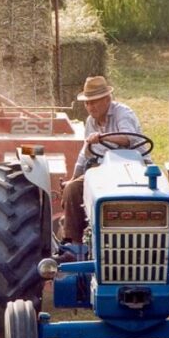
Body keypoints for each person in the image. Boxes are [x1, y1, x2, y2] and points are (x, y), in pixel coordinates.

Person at [57, 75, 146, 261]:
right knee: (73, 189)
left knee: (163, 193)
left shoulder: (123, 113)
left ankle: (165, 244)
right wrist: (73, 178)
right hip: (103, 170)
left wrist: (103, 137)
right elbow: (85, 154)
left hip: (134, 169)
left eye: (94, 102)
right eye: (87, 103)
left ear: (108, 99)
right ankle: (76, 247)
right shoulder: (91, 121)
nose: (90, 107)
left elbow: (129, 138)